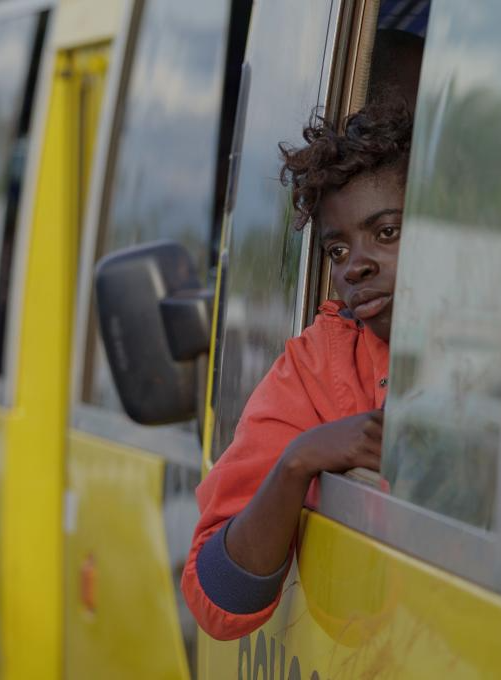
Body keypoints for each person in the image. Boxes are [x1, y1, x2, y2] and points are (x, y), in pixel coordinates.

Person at [180, 100, 412, 641]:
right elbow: (217, 597)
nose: (356, 266)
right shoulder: (317, 367)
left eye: (387, 232)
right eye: (338, 249)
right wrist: (297, 461)